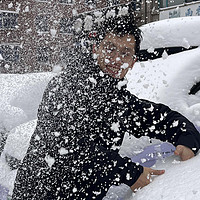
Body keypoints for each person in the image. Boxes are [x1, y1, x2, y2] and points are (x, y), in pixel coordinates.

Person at [12, 6, 200, 200]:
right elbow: (65, 146)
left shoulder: (119, 101)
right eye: (110, 48)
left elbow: (161, 118)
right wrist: (129, 172)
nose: (117, 59)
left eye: (125, 53)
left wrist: (186, 139)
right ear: (96, 49)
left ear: (133, 61)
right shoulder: (64, 86)